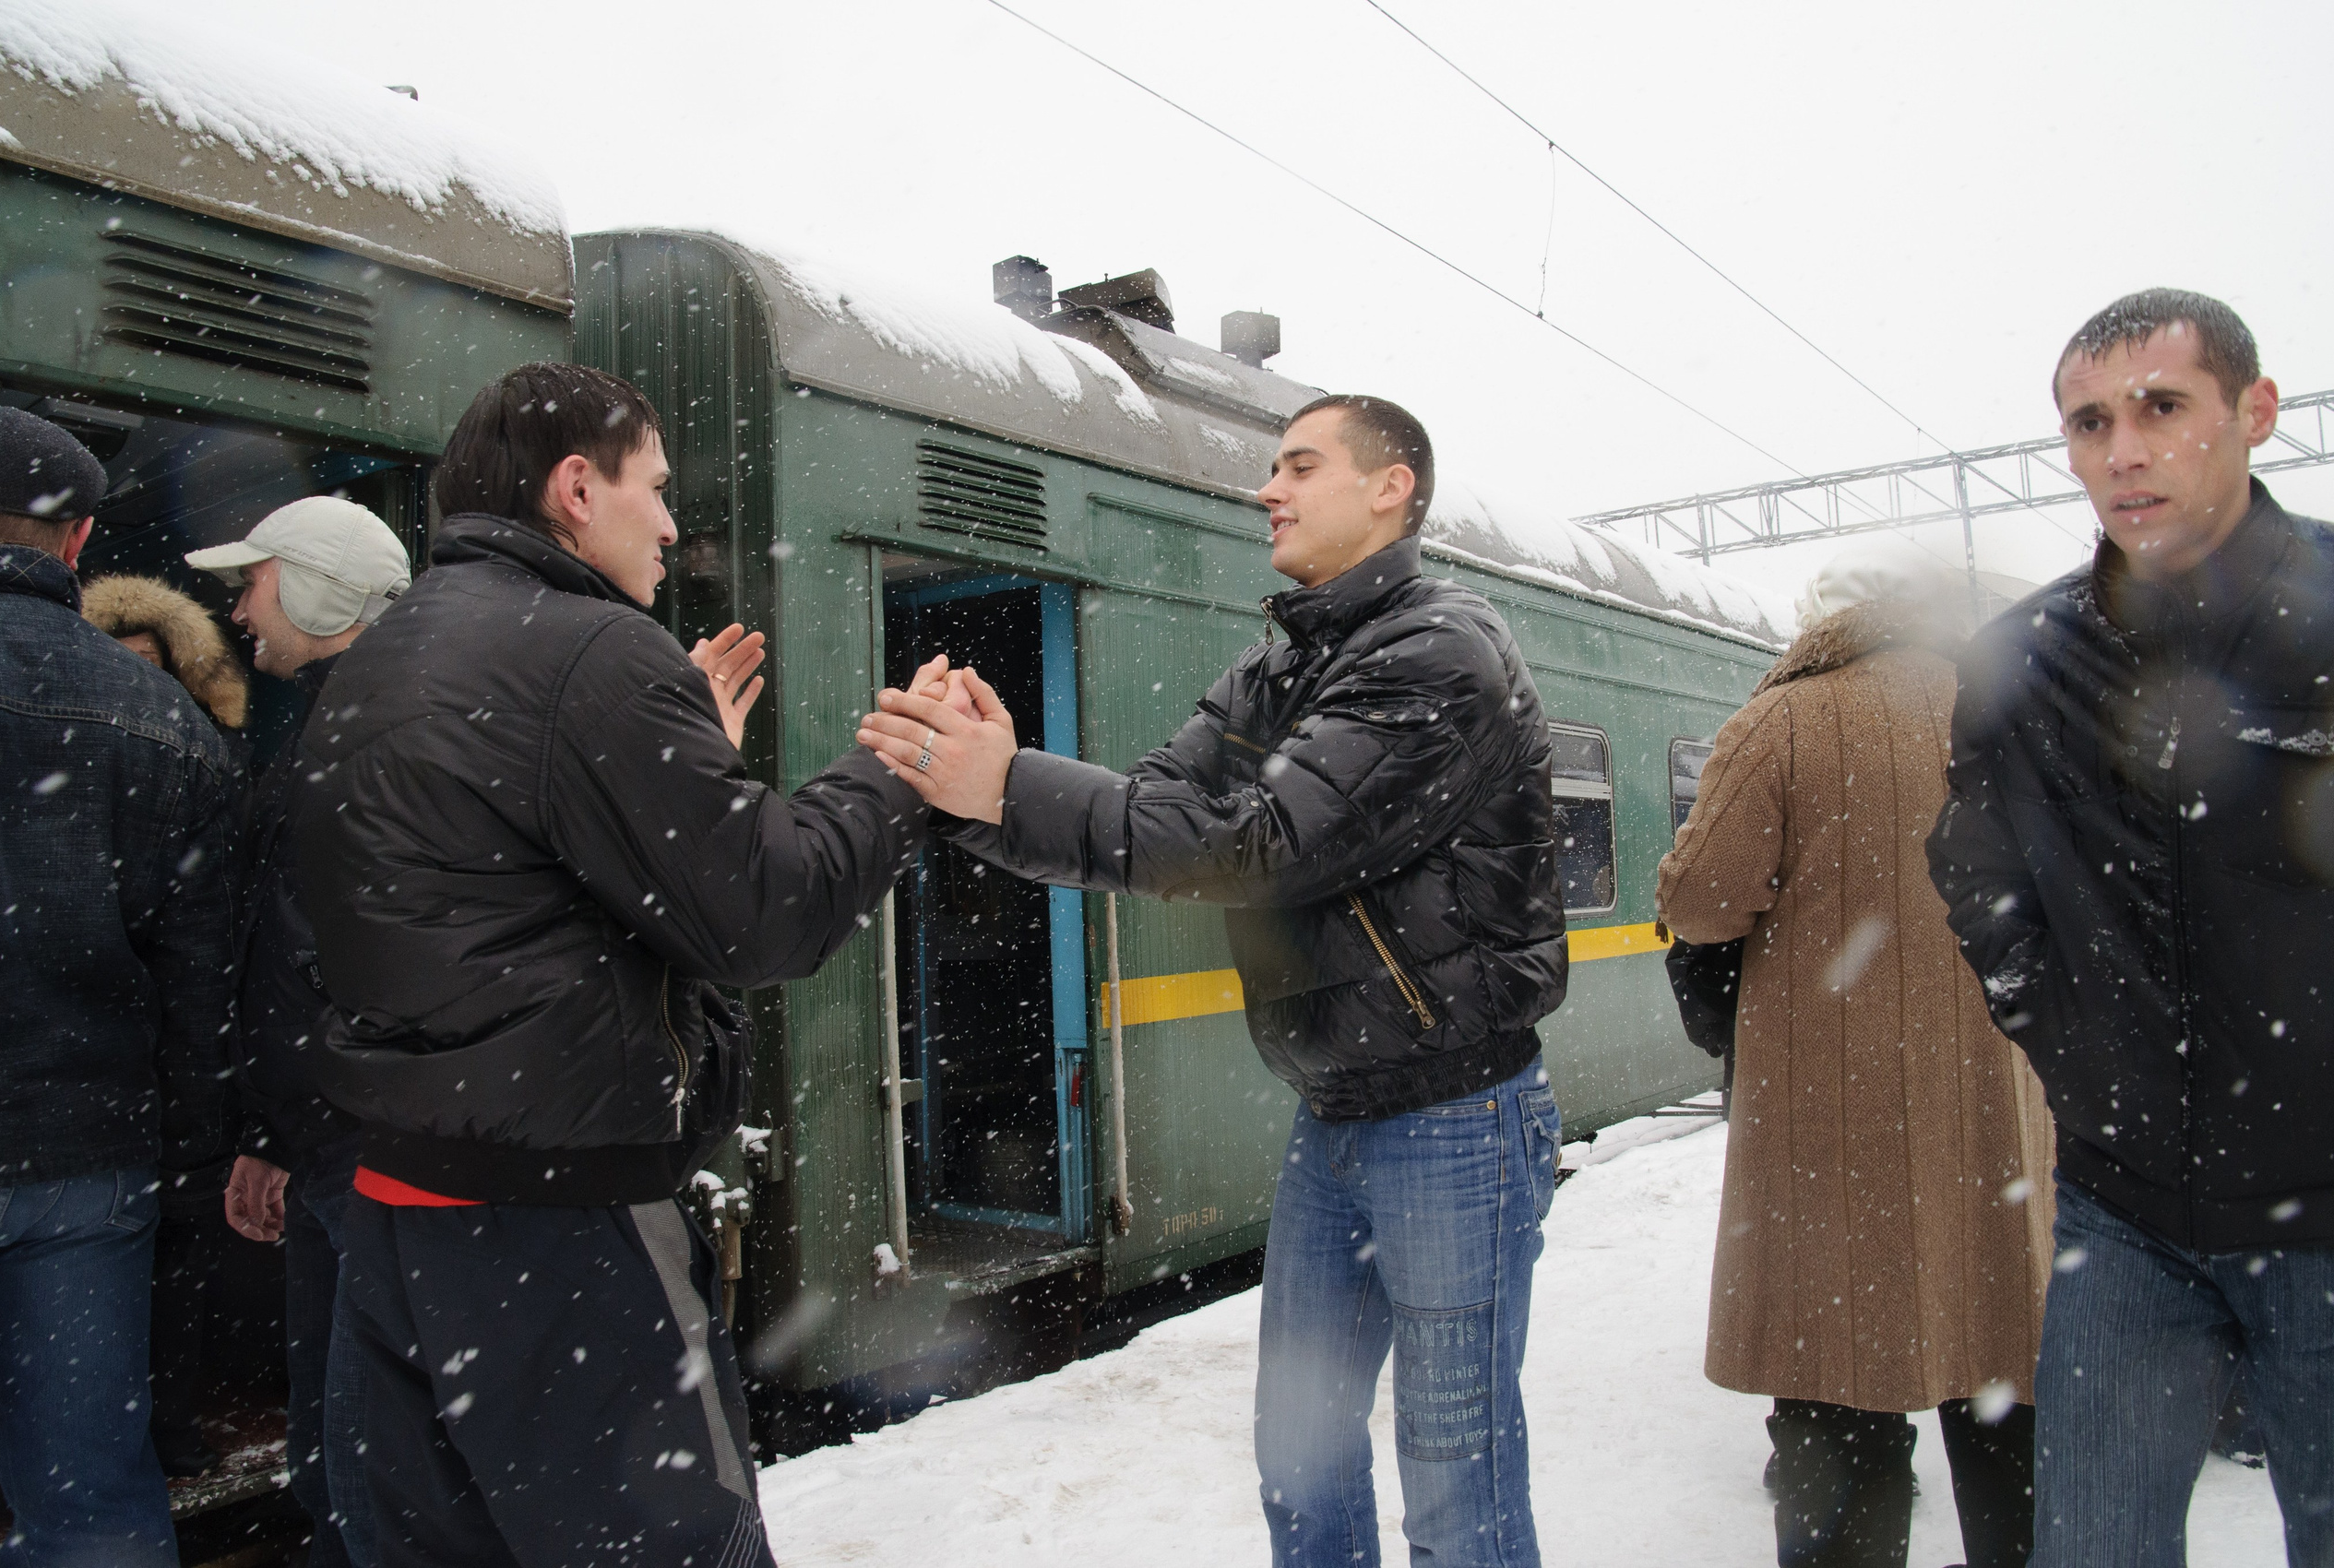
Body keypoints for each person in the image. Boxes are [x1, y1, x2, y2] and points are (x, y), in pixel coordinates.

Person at [861, 394, 1568, 1568]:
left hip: (1456, 1119)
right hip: (1333, 1116)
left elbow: (1258, 843)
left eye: (1299, 466)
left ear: (1391, 487)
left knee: (1457, 1479)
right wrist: (987, 786)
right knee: (1298, 1459)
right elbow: (1156, 814)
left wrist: (1007, 783)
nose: (1267, 490)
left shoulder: (1440, 652)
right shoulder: (1282, 662)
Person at [292, 363, 973, 1567]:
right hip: (559, 1236)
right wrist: (900, 765)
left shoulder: (378, 663)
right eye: (653, 489)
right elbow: (765, 914)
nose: (670, 522)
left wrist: (678, 767)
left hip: (392, 1221)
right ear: (573, 487)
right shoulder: (594, 654)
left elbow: (493, 895)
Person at [1928, 288, 2334, 1566]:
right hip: (2128, 1215)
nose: (2124, 450)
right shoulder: (2026, 660)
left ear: (2254, 413)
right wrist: (2072, 1043)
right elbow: (1975, 871)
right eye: (2089, 422)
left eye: (2162, 408)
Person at [1658, 544, 2055, 1568]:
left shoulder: (1787, 717)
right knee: (2001, 1375)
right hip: (1998, 1115)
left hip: (1838, 1127)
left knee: (1840, 1390)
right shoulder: (2011, 715)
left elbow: (1701, 898)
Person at [0, 406, 235, 1565]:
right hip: (90, 1163)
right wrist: (193, 1156)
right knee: (90, 1501)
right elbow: (201, 972)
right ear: (79, 542)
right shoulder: (160, 713)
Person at [185, 495, 413, 1566]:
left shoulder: (367, 727)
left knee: (364, 1457)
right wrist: (274, 1130)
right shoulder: (345, 718)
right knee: (345, 1450)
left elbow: (323, 959)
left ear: (322, 587)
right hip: (338, 1142)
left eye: (257, 582)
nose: (238, 608)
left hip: (362, 1150)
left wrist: (295, 1123)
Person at [77, 572, 253, 1478]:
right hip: (103, 1070)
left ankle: (170, 1430)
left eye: (149, 668)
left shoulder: (209, 765)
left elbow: (215, 933)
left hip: (182, 1060)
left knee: (179, 1259)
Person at [78, 574, 249, 731]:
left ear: (170, 666)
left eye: (146, 660)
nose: (132, 673)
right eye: (118, 659)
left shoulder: (206, 742)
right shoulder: (80, 730)